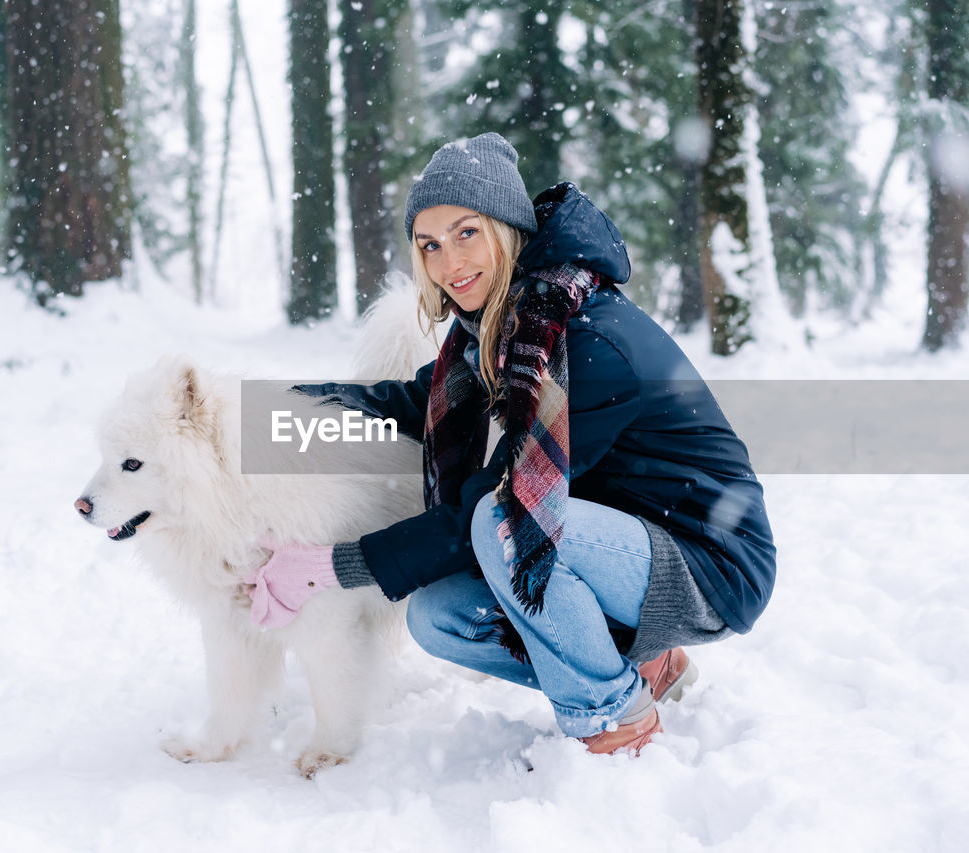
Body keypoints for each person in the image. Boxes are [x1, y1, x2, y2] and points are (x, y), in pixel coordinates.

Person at [245, 132, 775, 755]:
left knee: (503, 522)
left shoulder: (582, 341)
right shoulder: (497, 327)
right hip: (623, 543)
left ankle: (612, 717)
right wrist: (278, 412)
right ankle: (643, 668)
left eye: (466, 233)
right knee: (438, 615)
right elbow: (411, 406)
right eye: (430, 245)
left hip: (709, 559)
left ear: (507, 227)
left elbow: (490, 506)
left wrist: (331, 567)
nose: (449, 263)